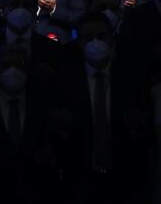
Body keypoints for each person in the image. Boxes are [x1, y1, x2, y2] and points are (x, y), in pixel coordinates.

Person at [58, 11, 153, 203]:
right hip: (80, 181)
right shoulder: (64, 82)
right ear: (79, 42)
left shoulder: (133, 80)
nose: (95, 42)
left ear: (112, 38)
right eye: (88, 37)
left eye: (101, 36)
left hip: (125, 180)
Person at [0, 44, 69, 203]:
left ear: (28, 68)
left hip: (38, 192)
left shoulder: (44, 103)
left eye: (19, 65)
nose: (12, 70)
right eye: (6, 65)